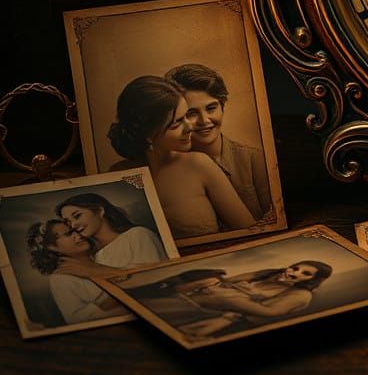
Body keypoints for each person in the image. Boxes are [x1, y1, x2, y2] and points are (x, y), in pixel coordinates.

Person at [107, 76, 255, 238]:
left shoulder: (199, 164)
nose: (190, 126)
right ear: (148, 134)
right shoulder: (119, 175)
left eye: (186, 115)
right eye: (177, 124)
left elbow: (250, 231)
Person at [165, 63, 271, 222]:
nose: (204, 120)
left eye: (211, 108)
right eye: (191, 113)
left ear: (222, 107)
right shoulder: (170, 169)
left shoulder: (255, 160)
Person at [172, 261, 333, 339]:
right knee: (207, 280)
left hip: (225, 312)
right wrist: (218, 285)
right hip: (207, 296)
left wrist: (230, 298)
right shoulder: (269, 273)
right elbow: (229, 282)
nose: (294, 273)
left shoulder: (300, 294)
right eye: (295, 268)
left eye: (306, 274)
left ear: (313, 280)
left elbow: (269, 312)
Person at [26, 219, 123, 325]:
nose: (78, 235)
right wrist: (111, 300)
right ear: (52, 247)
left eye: (75, 230)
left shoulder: (103, 255)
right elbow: (76, 319)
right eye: (68, 234)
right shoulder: (61, 278)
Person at [56, 192, 166, 267]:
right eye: (68, 222)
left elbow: (153, 277)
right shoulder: (94, 256)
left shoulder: (138, 235)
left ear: (99, 211)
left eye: (77, 216)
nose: (73, 225)